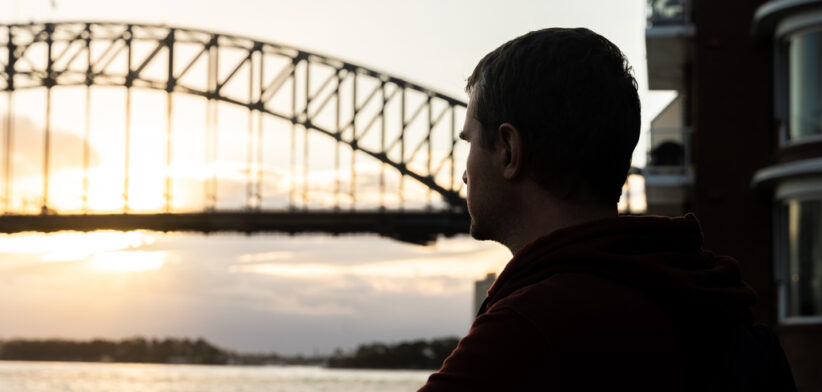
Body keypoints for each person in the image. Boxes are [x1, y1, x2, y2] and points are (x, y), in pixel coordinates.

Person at [418, 28, 795, 391]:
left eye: (469, 142)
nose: (464, 174)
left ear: (509, 150)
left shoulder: (525, 332)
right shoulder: (724, 315)